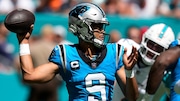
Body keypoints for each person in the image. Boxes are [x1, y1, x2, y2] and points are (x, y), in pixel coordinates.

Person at [15, 2, 138, 101]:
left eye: (102, 27)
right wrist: (24, 42)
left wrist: (129, 72)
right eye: (96, 26)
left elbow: (133, 98)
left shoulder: (114, 52)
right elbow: (29, 75)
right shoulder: (66, 54)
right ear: (81, 27)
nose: (101, 31)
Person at [112, 23, 175, 101]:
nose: (152, 51)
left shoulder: (167, 73)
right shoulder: (125, 48)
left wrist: (172, 87)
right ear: (144, 39)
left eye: (158, 48)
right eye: (151, 44)